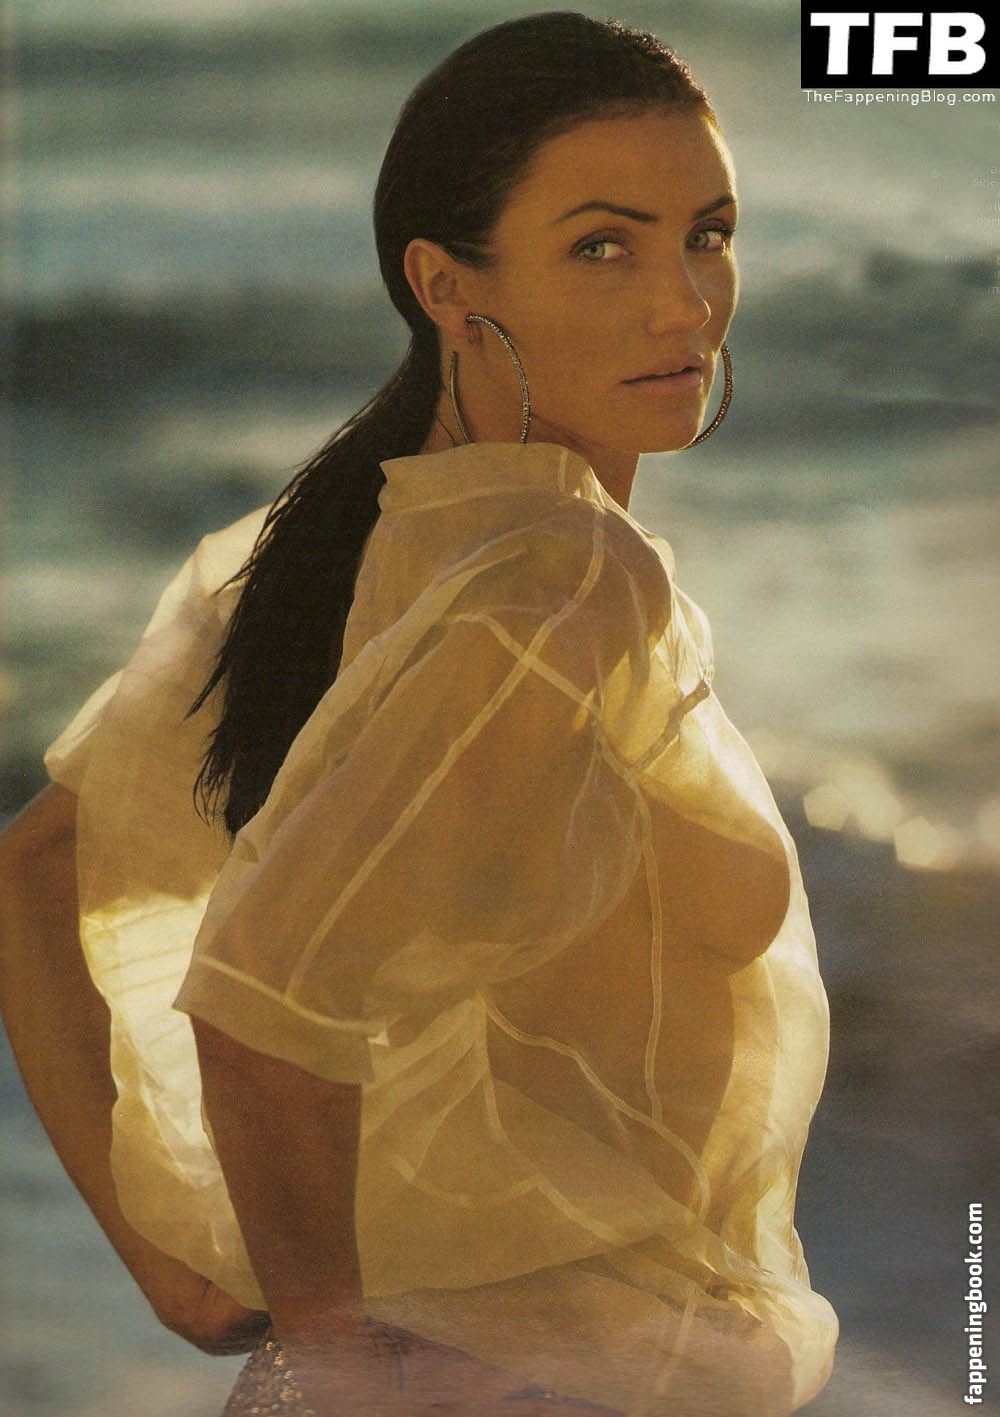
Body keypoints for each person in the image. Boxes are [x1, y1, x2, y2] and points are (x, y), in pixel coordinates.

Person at [0, 13, 839, 1415]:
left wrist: (188, 1282)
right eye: (603, 246)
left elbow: (34, 872)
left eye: (709, 235)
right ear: (446, 286)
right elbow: (261, 1003)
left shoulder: (325, 544)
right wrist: (338, 1370)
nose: (685, 304)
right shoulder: (559, 583)